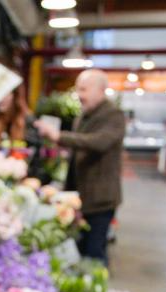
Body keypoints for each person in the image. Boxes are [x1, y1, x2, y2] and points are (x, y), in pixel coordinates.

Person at [33, 70, 125, 263]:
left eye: (84, 89)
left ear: (100, 90)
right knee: (80, 248)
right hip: (80, 196)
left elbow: (98, 142)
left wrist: (59, 136)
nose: (79, 95)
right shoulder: (84, 115)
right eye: (78, 90)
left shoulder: (113, 115)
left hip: (100, 199)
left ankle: (96, 289)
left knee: (94, 252)